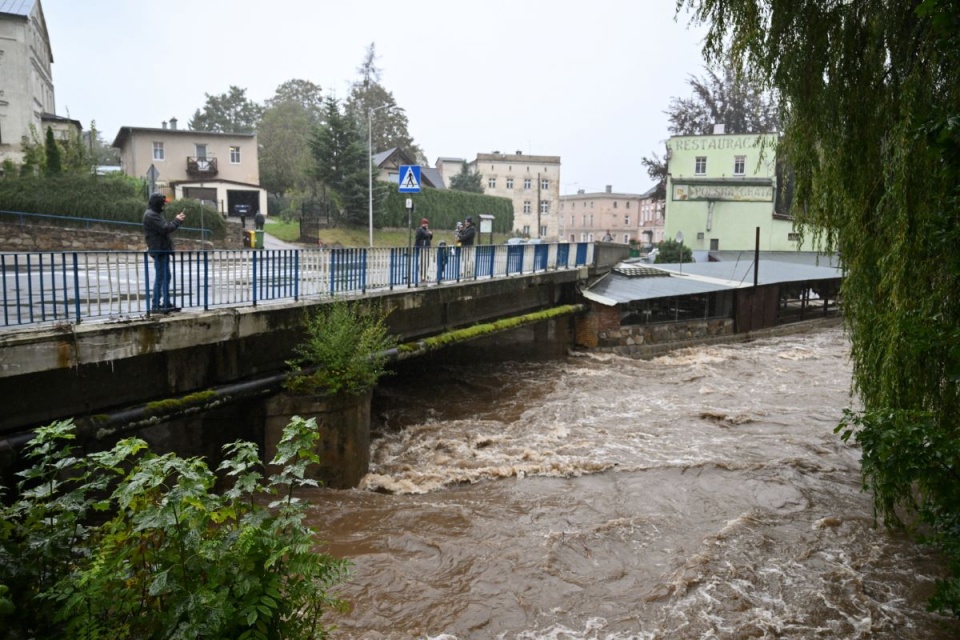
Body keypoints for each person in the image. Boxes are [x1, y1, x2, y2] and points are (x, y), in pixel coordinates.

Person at [143, 193, 185, 313]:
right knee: (161, 277)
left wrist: (176, 221)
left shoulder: (154, 214)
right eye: (163, 203)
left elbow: (165, 227)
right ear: (158, 203)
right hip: (159, 250)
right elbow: (165, 228)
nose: (164, 206)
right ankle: (156, 305)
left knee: (165, 276)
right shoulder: (151, 215)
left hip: (162, 250)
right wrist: (177, 221)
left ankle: (166, 303)